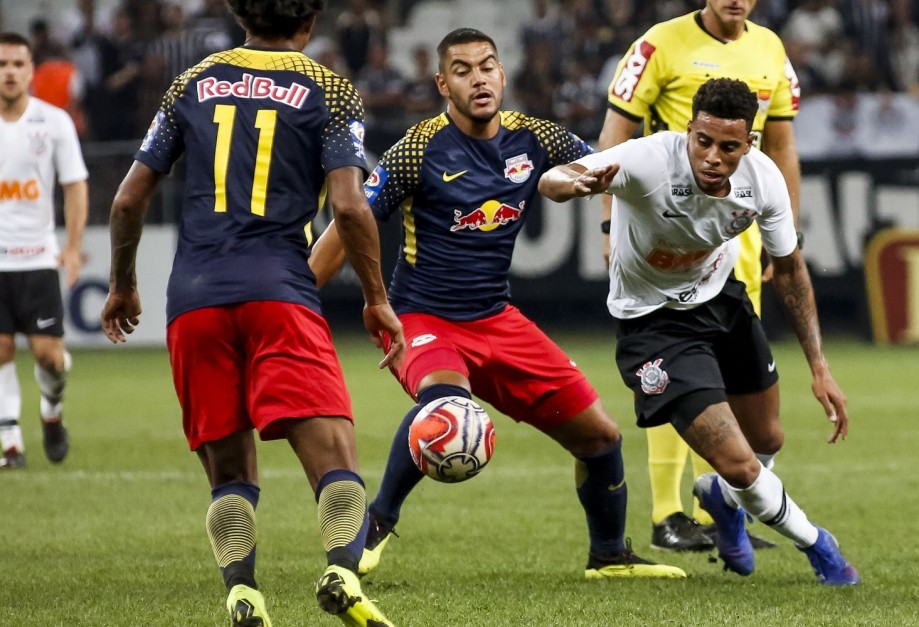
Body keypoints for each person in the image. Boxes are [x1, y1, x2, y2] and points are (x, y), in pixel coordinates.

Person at [310, 27, 685, 581]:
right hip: (422, 317)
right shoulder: (417, 150)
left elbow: (614, 165)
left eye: (487, 66)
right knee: (446, 410)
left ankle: (609, 555)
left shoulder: (533, 137)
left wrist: (680, 179)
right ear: (443, 83)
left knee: (602, 437)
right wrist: (295, 302)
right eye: (462, 70)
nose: (478, 78)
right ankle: (375, 526)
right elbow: (349, 223)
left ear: (503, 75)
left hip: (496, 318)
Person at [100, 2, 404, 625]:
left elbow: (128, 199)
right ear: (310, 21)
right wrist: (376, 297)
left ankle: (243, 592)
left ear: (239, 13)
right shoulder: (328, 88)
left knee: (230, 474)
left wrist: (122, 284)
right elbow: (349, 208)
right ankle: (343, 573)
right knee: (337, 461)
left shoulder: (194, 80)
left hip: (194, 299)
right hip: (279, 291)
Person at [538, 77, 860, 586]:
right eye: (702, 141)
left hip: (722, 302)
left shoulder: (764, 180)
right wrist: (571, 185)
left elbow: (792, 269)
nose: (712, 156)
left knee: (767, 440)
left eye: (728, 146)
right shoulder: (648, 159)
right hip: (654, 325)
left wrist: (820, 366)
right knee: (740, 464)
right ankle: (819, 544)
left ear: (748, 144)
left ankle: (720, 501)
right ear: (688, 130)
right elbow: (557, 176)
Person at [596, 0, 802, 552]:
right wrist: (607, 226)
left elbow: (780, 147)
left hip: (735, 242)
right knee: (676, 368)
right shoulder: (658, 43)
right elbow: (617, 133)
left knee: (729, 380)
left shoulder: (771, 49)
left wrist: (790, 234)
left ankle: (723, 509)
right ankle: (669, 514)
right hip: (664, 227)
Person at [0, 32, 88, 470]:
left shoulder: (53, 122)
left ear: (31, 70)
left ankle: (52, 412)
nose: (10, 72)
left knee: (49, 357)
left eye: (17, 64)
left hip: (36, 258)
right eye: (2, 64)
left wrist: (72, 246)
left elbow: (74, 184)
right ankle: (10, 441)